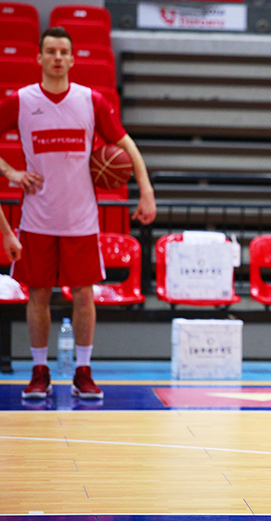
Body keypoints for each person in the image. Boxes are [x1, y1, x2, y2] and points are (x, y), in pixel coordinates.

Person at [0, 26, 157, 400]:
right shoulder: (21, 101)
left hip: (81, 219)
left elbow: (125, 144)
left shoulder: (90, 100)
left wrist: (146, 190)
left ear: (72, 59)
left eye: (63, 52)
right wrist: (10, 172)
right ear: (39, 57)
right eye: (50, 51)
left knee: (84, 295)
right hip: (36, 218)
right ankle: (40, 371)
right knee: (38, 295)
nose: (57, 57)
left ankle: (83, 371)